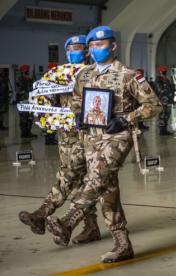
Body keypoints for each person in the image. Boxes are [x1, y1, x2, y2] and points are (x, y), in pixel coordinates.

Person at [45, 26, 162, 263]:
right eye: (92, 46)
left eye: (101, 45)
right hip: (91, 138)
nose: (96, 49)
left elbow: (154, 105)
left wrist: (126, 119)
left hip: (118, 137)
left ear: (113, 46)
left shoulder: (129, 75)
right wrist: (79, 115)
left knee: (96, 178)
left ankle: (68, 221)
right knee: (107, 189)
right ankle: (122, 244)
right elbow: (77, 101)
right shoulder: (84, 74)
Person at [19, 35, 102, 244]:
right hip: (66, 135)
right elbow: (46, 99)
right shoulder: (58, 74)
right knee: (78, 181)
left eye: (80, 48)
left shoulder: (97, 73)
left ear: (87, 51)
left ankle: (41, 214)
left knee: (69, 176)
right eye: (72, 48)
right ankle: (91, 227)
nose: (76, 51)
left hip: (89, 133)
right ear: (67, 52)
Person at [16, 64, 36, 138]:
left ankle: (28, 132)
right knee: (23, 118)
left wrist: (30, 79)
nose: (27, 72)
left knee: (30, 117)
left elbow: (33, 88)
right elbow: (20, 90)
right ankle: (24, 133)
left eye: (27, 70)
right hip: (23, 101)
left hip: (30, 101)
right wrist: (26, 80)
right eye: (25, 71)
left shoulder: (29, 79)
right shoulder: (19, 79)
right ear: (22, 71)